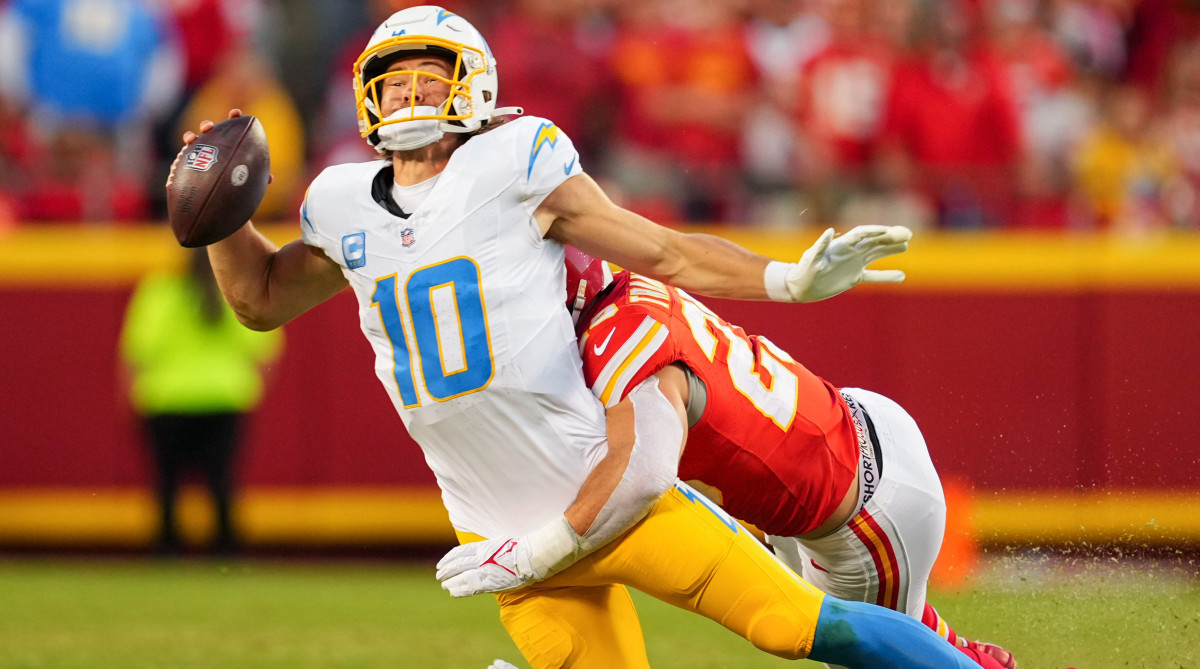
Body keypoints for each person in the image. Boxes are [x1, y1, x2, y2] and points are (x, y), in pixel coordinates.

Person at [181, 6, 982, 667]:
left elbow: (665, 250)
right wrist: (220, 218)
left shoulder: (514, 162)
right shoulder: (340, 201)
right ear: (366, 97)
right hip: (493, 527)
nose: (412, 94)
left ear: (475, 87)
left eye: (432, 76)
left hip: (607, 498)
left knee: (792, 627)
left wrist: (784, 280)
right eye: (395, 83)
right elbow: (258, 300)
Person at [553, 248, 1020, 668]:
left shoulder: (617, 349)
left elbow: (641, 477)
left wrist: (537, 554)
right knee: (889, 628)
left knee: (881, 653)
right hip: (849, 431)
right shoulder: (632, 292)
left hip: (862, 511)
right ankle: (970, 655)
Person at [120, 248, 282, 554]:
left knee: (167, 482)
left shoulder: (159, 292)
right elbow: (264, 351)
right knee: (221, 480)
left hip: (165, 398)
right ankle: (226, 550)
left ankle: (167, 550)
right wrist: (247, 389)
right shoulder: (236, 292)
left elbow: (136, 351)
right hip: (224, 397)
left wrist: (130, 397)